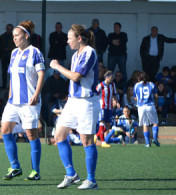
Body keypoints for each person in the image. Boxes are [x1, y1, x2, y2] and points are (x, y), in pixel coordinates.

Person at [50, 24, 99, 190]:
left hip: (86, 102)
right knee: (59, 135)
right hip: (72, 102)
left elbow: (76, 77)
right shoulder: (75, 55)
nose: (67, 41)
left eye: (69, 38)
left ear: (79, 39)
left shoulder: (89, 52)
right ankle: (71, 174)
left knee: (87, 141)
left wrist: (57, 67)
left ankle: (91, 180)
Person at [0, 20, 45, 181]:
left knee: (31, 134)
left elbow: (41, 74)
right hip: (13, 101)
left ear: (26, 36)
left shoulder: (35, 52)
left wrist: (36, 94)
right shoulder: (13, 53)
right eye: (13, 36)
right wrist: (10, 96)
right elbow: (12, 76)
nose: (14, 38)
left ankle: (35, 171)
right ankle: (15, 167)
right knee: (5, 129)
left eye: (17, 35)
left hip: (29, 102)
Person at [133, 71, 160, 147]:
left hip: (141, 107)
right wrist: (156, 103)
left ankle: (147, 143)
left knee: (145, 124)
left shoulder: (136, 85)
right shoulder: (151, 84)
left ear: (139, 78)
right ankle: (154, 138)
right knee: (155, 122)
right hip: (150, 105)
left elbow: (135, 97)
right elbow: (156, 95)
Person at [95, 70, 118, 148]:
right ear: (106, 77)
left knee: (108, 125)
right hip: (102, 107)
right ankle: (103, 142)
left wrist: (116, 102)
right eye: (111, 77)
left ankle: (97, 135)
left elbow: (114, 94)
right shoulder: (100, 85)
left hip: (109, 107)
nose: (112, 79)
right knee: (102, 122)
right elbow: (95, 95)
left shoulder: (112, 85)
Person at [0, 24, 15, 89]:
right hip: (3, 56)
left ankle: (11, 85)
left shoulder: (14, 36)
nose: (9, 30)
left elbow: (15, 46)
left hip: (11, 56)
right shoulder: (2, 36)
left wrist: (9, 48)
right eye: (8, 28)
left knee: (12, 71)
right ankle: (4, 85)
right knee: (4, 71)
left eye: (10, 28)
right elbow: (0, 45)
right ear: (6, 28)